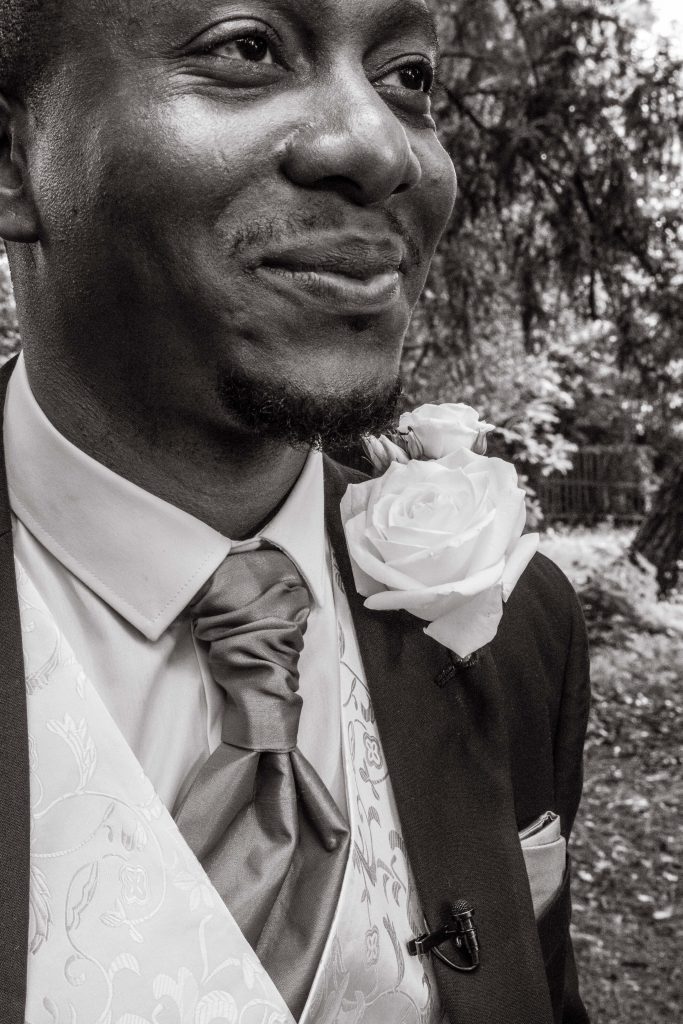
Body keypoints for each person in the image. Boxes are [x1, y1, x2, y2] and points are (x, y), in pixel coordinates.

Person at [0, 0, 590, 1021]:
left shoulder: (513, 620)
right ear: (13, 158)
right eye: (245, 49)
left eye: (406, 77)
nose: (376, 144)